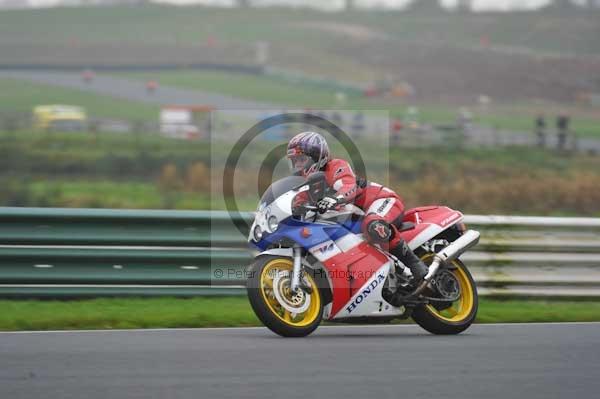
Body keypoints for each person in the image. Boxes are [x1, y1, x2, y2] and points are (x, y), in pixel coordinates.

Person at [286, 131, 429, 286]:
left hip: (381, 201)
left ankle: (415, 264)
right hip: (355, 217)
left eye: (302, 159)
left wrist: (334, 198)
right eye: (295, 161)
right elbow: (295, 204)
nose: (298, 165)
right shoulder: (305, 186)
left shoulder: (335, 167)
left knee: (373, 224)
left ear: (317, 157)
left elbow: (349, 186)